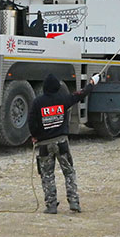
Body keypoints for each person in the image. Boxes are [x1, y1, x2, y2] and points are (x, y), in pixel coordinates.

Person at [28, 72, 99, 214]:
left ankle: (51, 205)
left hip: (44, 145)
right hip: (62, 143)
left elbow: (31, 122)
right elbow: (81, 94)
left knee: (47, 175)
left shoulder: (37, 102)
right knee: (69, 172)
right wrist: (92, 83)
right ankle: (74, 202)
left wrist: (35, 136)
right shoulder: (64, 99)